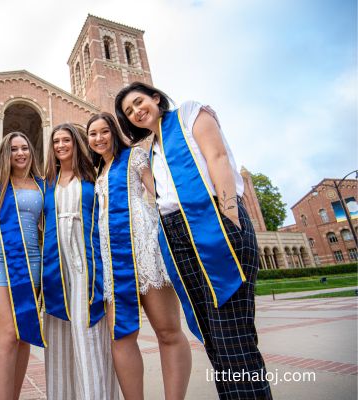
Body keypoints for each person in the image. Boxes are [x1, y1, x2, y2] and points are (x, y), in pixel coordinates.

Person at [115, 81, 272, 399]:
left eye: (139, 102)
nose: (136, 111)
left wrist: (229, 215)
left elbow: (216, 156)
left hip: (212, 225)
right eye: (129, 112)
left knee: (233, 336)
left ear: (155, 98)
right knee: (213, 337)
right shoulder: (154, 149)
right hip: (177, 238)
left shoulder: (188, 113)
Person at [86, 112, 191, 400]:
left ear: (114, 132)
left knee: (168, 331)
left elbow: (160, 194)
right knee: (120, 335)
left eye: (104, 131)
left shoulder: (134, 157)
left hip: (145, 249)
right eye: (92, 134)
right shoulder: (96, 173)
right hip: (113, 258)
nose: (99, 138)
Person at [42, 123, 120, 400]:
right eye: (56, 142)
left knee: (88, 332)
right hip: (56, 265)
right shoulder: (47, 182)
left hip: (87, 264)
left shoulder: (93, 176)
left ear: (76, 143)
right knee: (61, 337)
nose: (61, 145)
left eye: (66, 140)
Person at [0, 131, 45, 400]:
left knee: (24, 334)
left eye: (24, 148)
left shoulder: (43, 184)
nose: (20, 153)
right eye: (13, 149)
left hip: (32, 261)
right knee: (7, 334)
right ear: (6, 154)